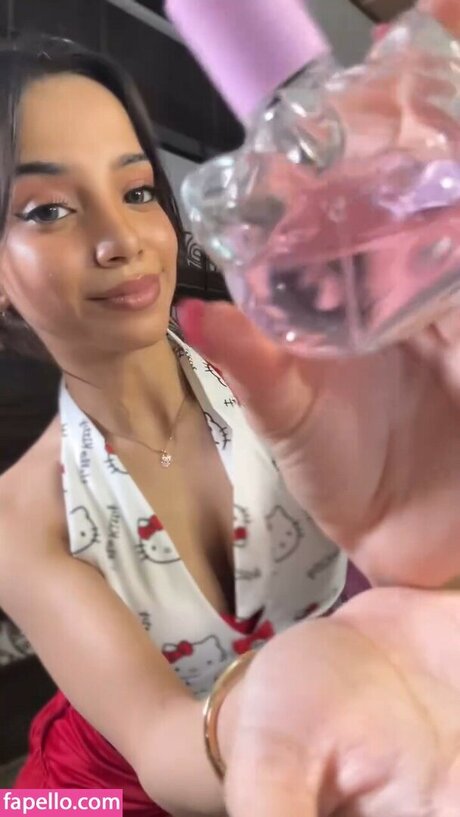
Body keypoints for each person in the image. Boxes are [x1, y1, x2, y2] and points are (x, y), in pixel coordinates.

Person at [0, 3, 459, 817]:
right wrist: (276, 715)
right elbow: (157, 741)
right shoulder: (19, 515)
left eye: (137, 190)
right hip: (90, 793)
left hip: (336, 723)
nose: (122, 239)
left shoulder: (285, 375)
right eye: (47, 210)